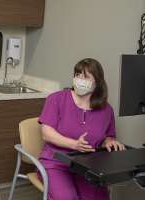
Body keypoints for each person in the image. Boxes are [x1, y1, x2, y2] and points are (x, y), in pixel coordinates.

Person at [36, 58, 126, 200]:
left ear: (97, 82)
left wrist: (108, 142)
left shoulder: (106, 109)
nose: (79, 79)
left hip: (88, 166)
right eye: (77, 74)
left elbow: (105, 137)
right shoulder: (57, 99)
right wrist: (75, 145)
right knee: (66, 197)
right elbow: (46, 134)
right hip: (56, 164)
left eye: (85, 76)